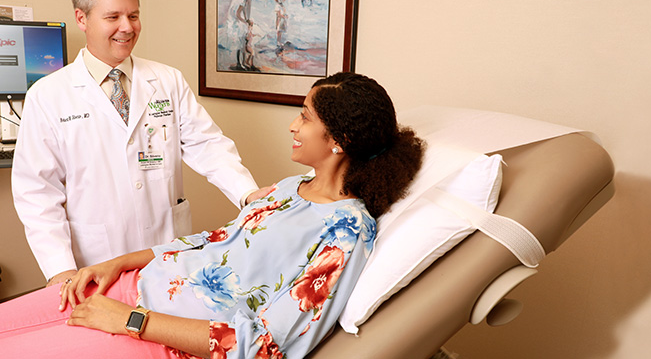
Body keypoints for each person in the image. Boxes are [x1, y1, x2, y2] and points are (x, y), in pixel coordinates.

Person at [0, 72, 425, 359]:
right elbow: (210, 242)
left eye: (304, 116)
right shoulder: (286, 188)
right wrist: (119, 263)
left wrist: (131, 321)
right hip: (131, 286)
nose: (293, 126)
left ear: (340, 139)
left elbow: (263, 346)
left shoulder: (347, 230)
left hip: (164, 336)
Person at [11, 0, 265, 288]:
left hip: (165, 250)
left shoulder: (166, 80)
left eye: (133, 15)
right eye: (113, 17)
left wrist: (247, 193)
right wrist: (59, 269)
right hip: (94, 261)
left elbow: (207, 144)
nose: (127, 27)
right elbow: (37, 193)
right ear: (81, 18)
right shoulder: (48, 96)